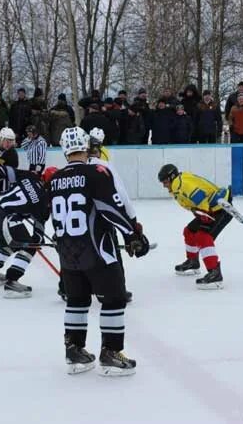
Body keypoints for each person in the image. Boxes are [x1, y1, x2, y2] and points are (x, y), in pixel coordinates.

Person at [47, 127, 149, 376]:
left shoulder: (55, 179)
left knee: (77, 300)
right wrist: (133, 234)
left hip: (68, 253)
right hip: (98, 249)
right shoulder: (96, 172)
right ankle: (111, 352)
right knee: (114, 298)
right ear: (87, 146)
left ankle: (74, 351)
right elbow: (110, 207)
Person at [157, 164, 232, 289]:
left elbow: (199, 196)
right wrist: (199, 211)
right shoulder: (178, 183)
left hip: (220, 208)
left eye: (165, 181)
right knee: (189, 231)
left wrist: (204, 212)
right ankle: (193, 262)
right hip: (211, 207)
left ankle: (215, 273)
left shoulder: (180, 184)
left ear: (172, 177)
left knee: (203, 237)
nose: (164, 185)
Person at [0, 164, 49, 298]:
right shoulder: (44, 201)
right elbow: (38, 231)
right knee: (30, 247)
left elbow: (5, 170)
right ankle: (12, 282)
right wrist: (37, 241)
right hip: (8, 219)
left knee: (10, 245)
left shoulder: (31, 177)